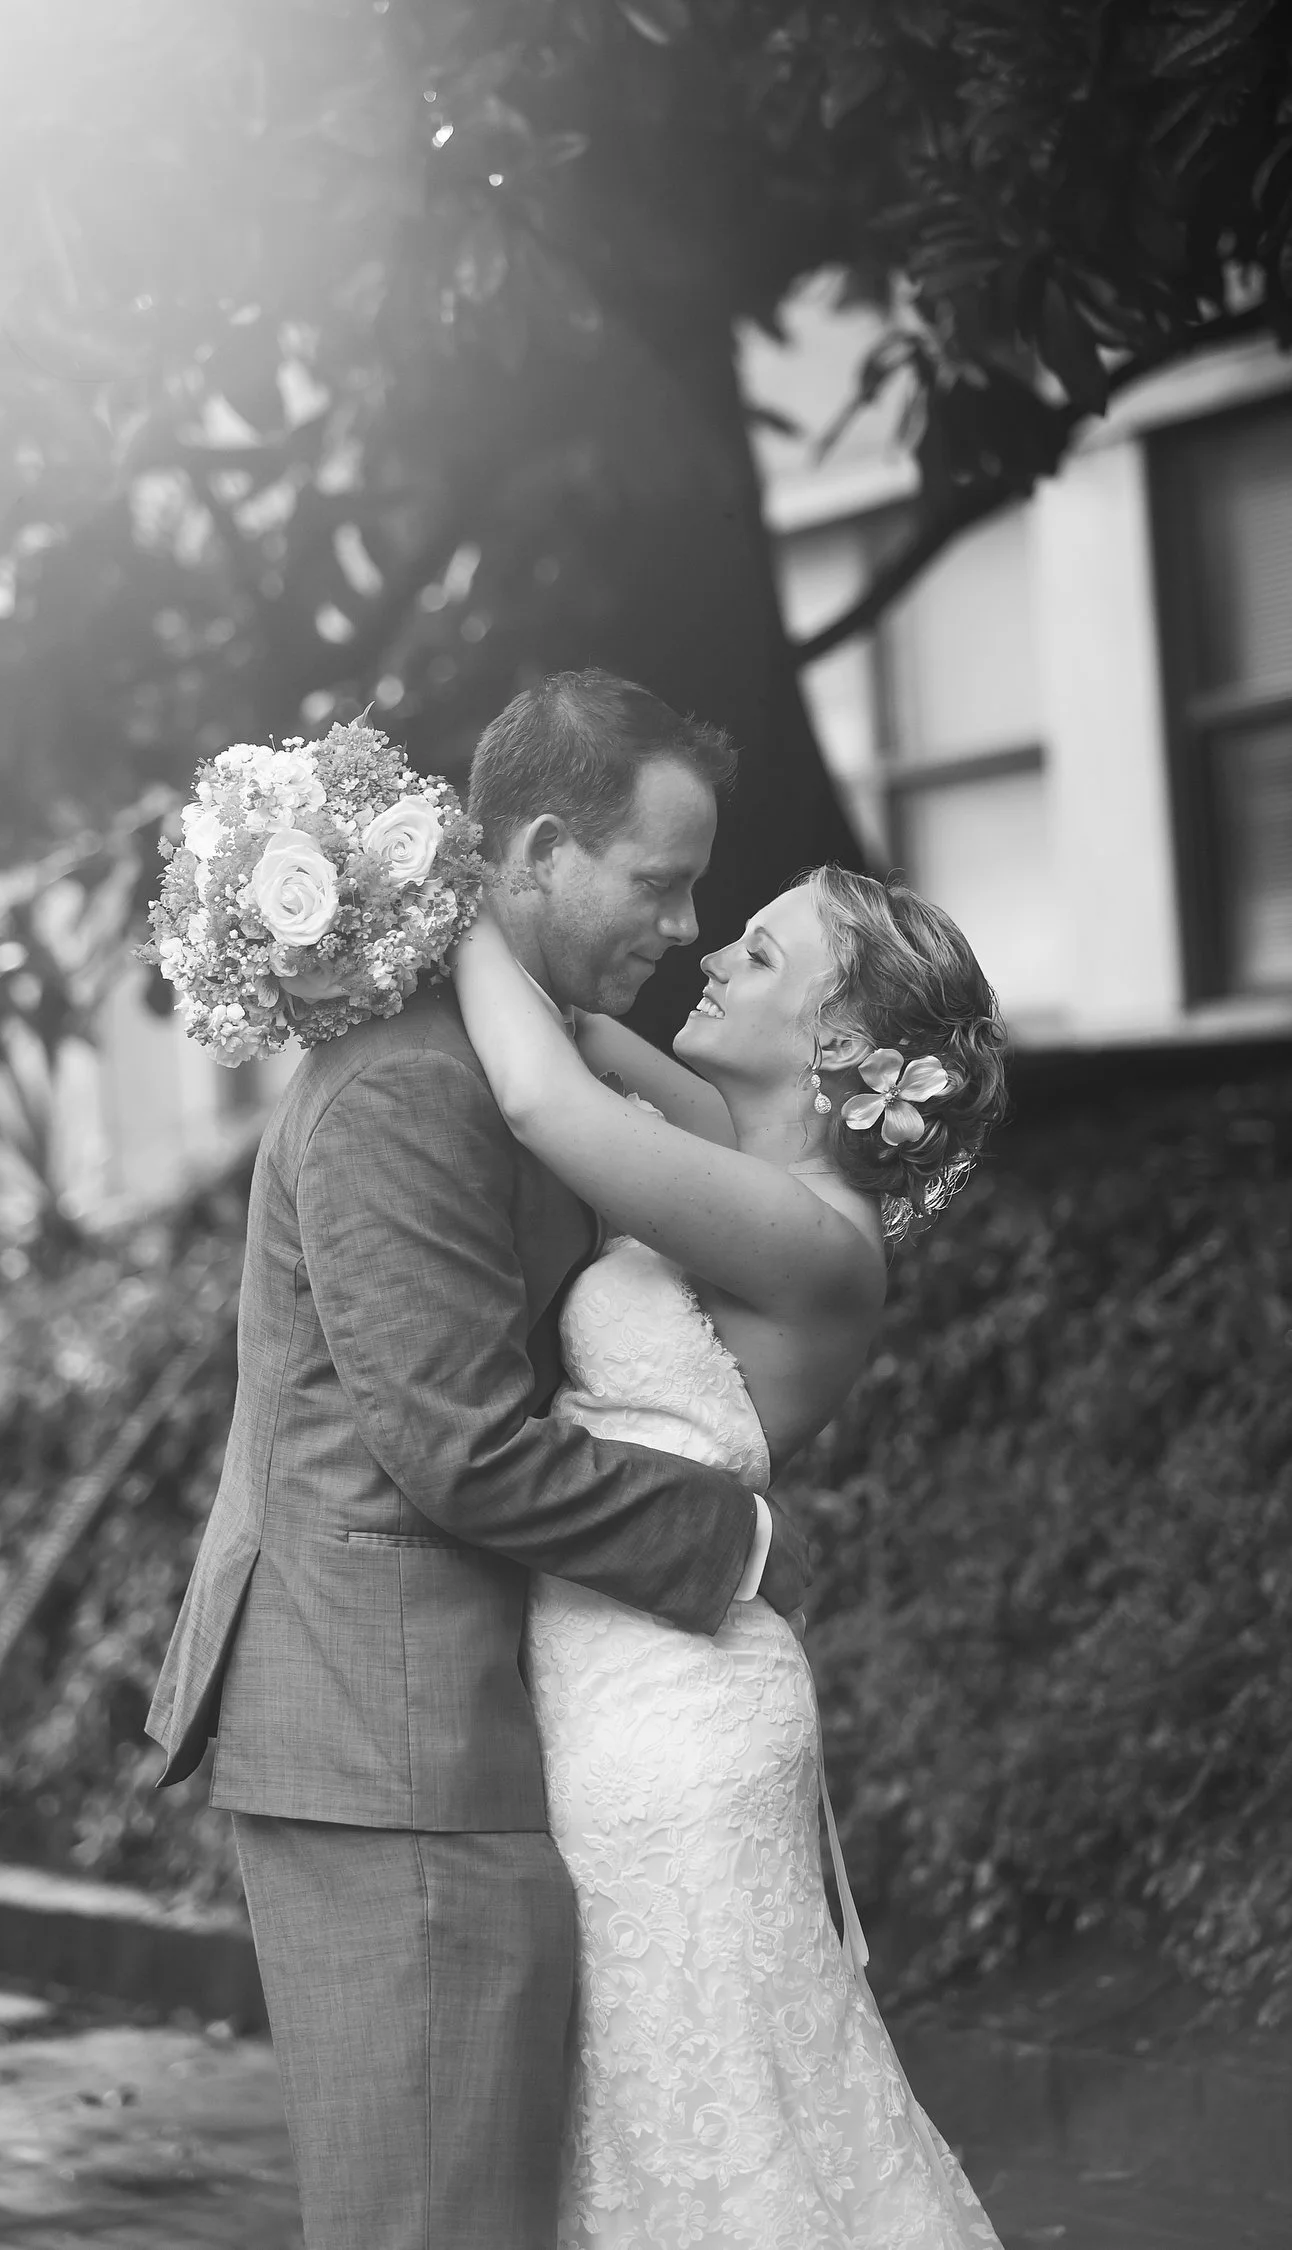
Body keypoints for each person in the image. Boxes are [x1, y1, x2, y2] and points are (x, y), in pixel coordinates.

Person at [145, 670, 814, 2250]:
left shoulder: (510, 1058)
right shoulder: (413, 1085)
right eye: (657, 880)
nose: (686, 916)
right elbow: (459, 1451)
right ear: (533, 851)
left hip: (438, 1734)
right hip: (392, 1744)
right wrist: (732, 1541)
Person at [452, 860, 1010, 2247]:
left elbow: (541, 1095)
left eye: (757, 955)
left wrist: (425, 886)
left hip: (673, 1730)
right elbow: (566, 1027)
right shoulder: (735, 1151)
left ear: (837, 1044)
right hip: (619, 1674)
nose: (708, 957)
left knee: (703, 2135)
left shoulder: (817, 1240)